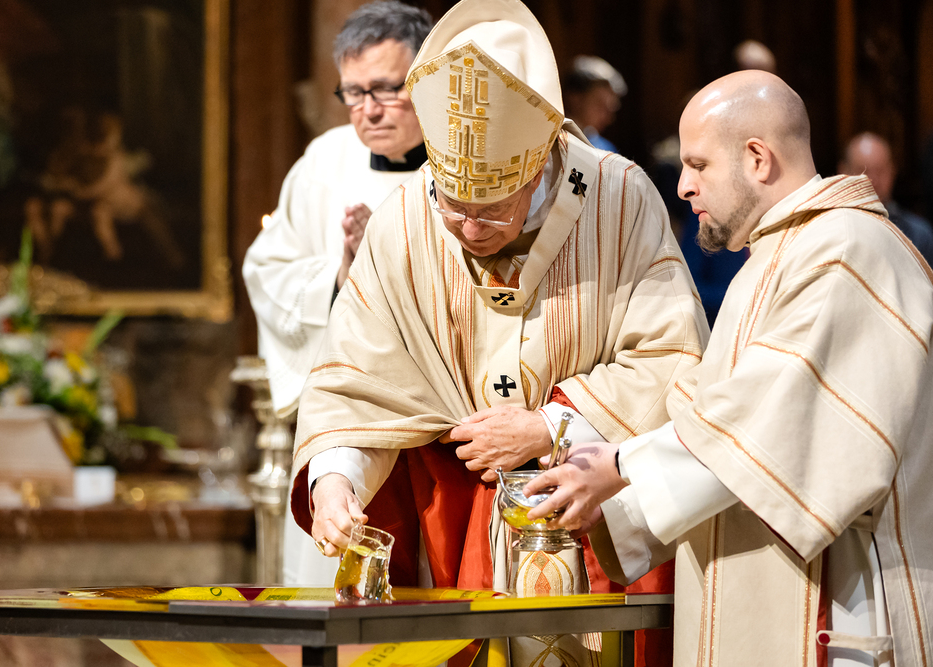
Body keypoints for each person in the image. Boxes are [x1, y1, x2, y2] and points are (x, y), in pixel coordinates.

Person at [293, 0, 708, 664]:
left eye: (491, 209)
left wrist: (550, 426)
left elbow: (674, 357)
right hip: (457, 529)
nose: (469, 228)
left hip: (590, 518)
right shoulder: (407, 219)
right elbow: (359, 381)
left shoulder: (618, 198)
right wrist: (335, 480)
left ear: (538, 167)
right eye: (453, 205)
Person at [526, 70, 933, 667]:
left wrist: (618, 468)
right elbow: (706, 409)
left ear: (758, 159)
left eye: (698, 164)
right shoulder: (779, 254)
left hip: (843, 609)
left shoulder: (848, 249)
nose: (683, 185)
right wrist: (605, 478)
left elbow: (771, 420)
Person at [241, 0, 432, 586]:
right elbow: (265, 269)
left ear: (428, 80)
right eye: (353, 92)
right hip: (345, 422)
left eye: (387, 89)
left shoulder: (466, 163)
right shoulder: (324, 161)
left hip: (437, 426)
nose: (368, 109)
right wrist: (340, 277)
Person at [839, 131, 933, 267]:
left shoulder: (919, 235)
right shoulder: (832, 231)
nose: (873, 180)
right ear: (843, 172)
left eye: (880, 170)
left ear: (892, 171)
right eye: (863, 171)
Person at [562, 55, 626, 153]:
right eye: (600, 106)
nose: (608, 119)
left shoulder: (605, 150)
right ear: (575, 98)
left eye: (609, 110)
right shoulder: (548, 141)